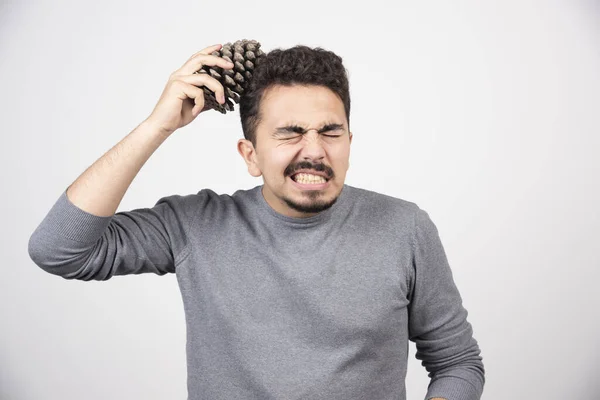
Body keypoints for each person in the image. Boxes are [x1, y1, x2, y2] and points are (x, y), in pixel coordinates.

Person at [28, 43, 485, 400]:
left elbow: (458, 362)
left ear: (349, 140)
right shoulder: (194, 225)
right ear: (251, 155)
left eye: (330, 132)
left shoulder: (404, 228)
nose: (314, 150)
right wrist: (157, 126)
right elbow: (59, 250)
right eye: (289, 133)